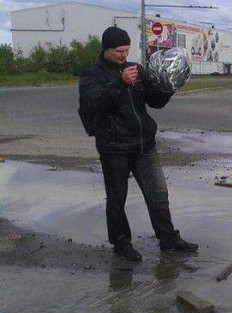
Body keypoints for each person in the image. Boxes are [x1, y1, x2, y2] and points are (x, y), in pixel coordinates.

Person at [78, 26, 198, 261]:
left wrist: (169, 85)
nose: (124, 55)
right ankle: (121, 244)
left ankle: (168, 239)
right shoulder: (92, 75)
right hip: (114, 147)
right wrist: (120, 83)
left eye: (127, 50)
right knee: (116, 198)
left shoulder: (136, 70)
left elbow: (155, 101)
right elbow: (94, 102)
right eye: (119, 51)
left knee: (158, 193)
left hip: (144, 144)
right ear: (107, 49)